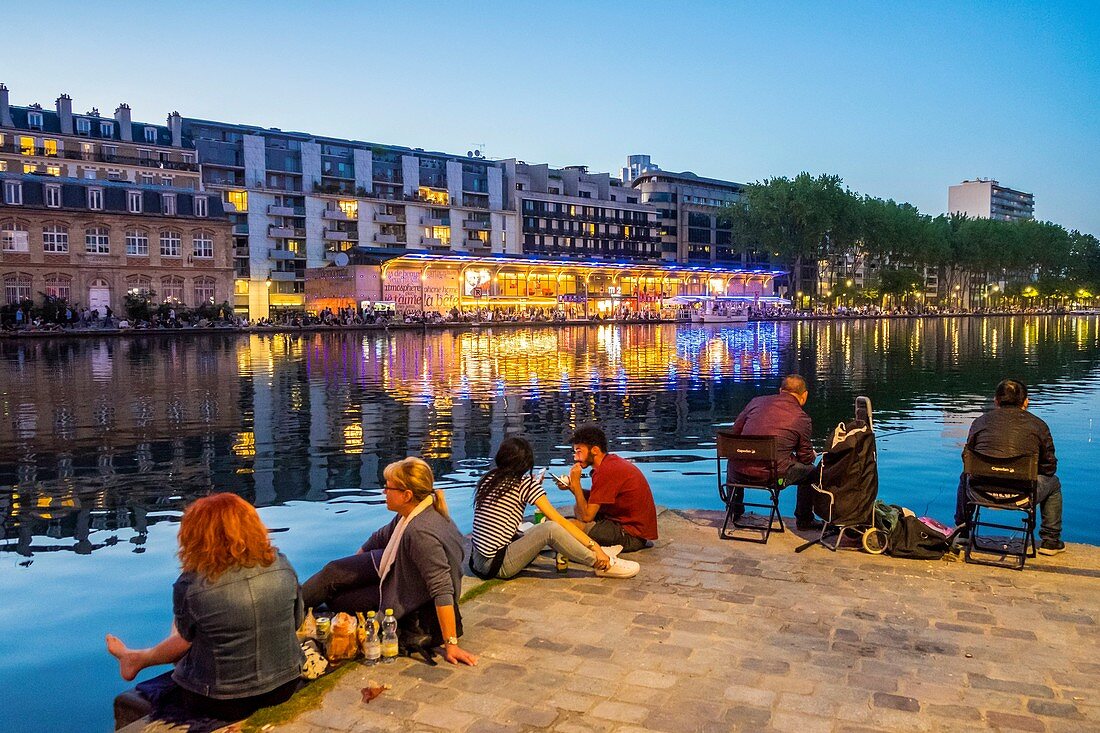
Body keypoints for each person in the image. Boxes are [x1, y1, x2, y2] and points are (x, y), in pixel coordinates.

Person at [105, 493, 304, 722]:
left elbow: (185, 641)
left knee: (186, 633)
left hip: (219, 700)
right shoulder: (282, 565)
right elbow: (296, 621)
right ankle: (136, 658)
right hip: (284, 686)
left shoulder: (191, 585)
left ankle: (137, 658)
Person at [301, 457, 477, 666]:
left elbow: (442, 588)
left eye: (388, 488)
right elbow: (380, 537)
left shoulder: (420, 532)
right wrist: (354, 569)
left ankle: (287, 609)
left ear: (406, 495)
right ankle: (290, 605)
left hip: (412, 600)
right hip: (397, 571)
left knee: (337, 601)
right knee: (334, 572)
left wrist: (451, 644)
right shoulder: (414, 513)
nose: (384, 492)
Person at [469, 437, 640, 580]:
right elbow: (558, 522)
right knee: (550, 529)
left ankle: (584, 551)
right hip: (497, 565)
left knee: (536, 530)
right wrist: (595, 547)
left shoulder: (490, 478)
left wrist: (534, 486)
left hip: (478, 561)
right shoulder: (525, 485)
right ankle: (601, 563)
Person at [954, 378, 1065, 555]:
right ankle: (1050, 541)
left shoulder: (979, 422)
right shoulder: (1039, 426)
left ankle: (963, 531)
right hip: (1022, 496)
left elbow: (966, 459)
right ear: (1026, 401)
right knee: (1054, 483)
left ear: (996, 401)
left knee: (965, 476)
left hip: (980, 493)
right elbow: (1049, 467)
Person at [728, 374, 822, 531]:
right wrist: (811, 454)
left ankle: (734, 511)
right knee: (812, 472)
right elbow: (805, 459)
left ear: (780, 390)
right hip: (773, 479)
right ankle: (804, 519)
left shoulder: (755, 402)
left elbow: (736, 432)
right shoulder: (801, 418)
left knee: (737, 457)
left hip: (738, 475)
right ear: (804, 396)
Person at [560, 424, 658, 553]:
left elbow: (587, 517)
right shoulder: (608, 464)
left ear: (594, 450)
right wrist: (572, 487)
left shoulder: (607, 471)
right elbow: (597, 497)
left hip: (631, 535)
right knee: (573, 513)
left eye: (579, 452)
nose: (575, 457)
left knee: (571, 526)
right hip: (624, 525)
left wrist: (577, 483)